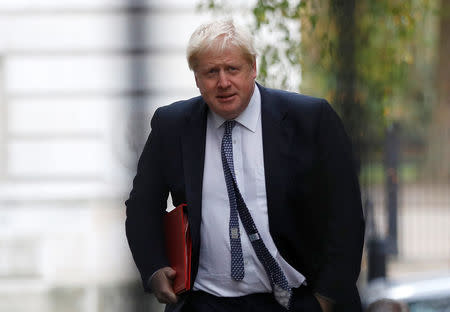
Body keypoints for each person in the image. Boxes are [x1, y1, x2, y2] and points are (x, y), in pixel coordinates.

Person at [125, 19, 365, 312]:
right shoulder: (172, 126)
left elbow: (346, 216)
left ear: (253, 67)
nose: (223, 82)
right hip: (204, 303)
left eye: (232, 69)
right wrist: (154, 268)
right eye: (211, 72)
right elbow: (141, 206)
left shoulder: (311, 120)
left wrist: (325, 300)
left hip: (294, 300)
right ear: (197, 78)